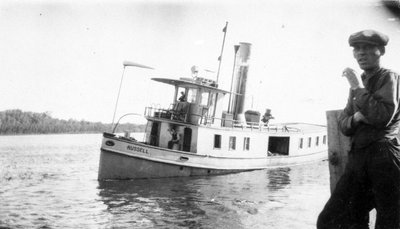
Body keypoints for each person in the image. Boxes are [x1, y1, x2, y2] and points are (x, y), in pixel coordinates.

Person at [317, 30, 400, 228]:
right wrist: (356, 118)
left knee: (389, 221)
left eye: (368, 48)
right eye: (357, 49)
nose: (361, 53)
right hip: (359, 158)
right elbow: (343, 124)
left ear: (380, 51)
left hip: (384, 157)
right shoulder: (358, 85)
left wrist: (358, 87)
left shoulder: (390, 78)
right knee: (332, 219)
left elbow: (381, 117)